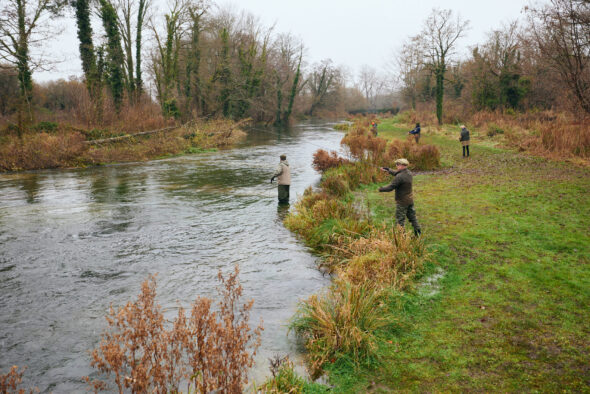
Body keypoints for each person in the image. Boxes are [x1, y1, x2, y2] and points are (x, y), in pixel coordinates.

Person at [378, 158, 421, 236]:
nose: (396, 166)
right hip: (409, 200)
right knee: (412, 217)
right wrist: (388, 170)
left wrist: (380, 189)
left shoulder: (400, 177)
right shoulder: (408, 173)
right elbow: (397, 173)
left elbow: (390, 187)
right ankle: (418, 233)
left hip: (402, 202)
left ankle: (402, 238)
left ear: (402, 165)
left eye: (397, 164)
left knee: (400, 220)